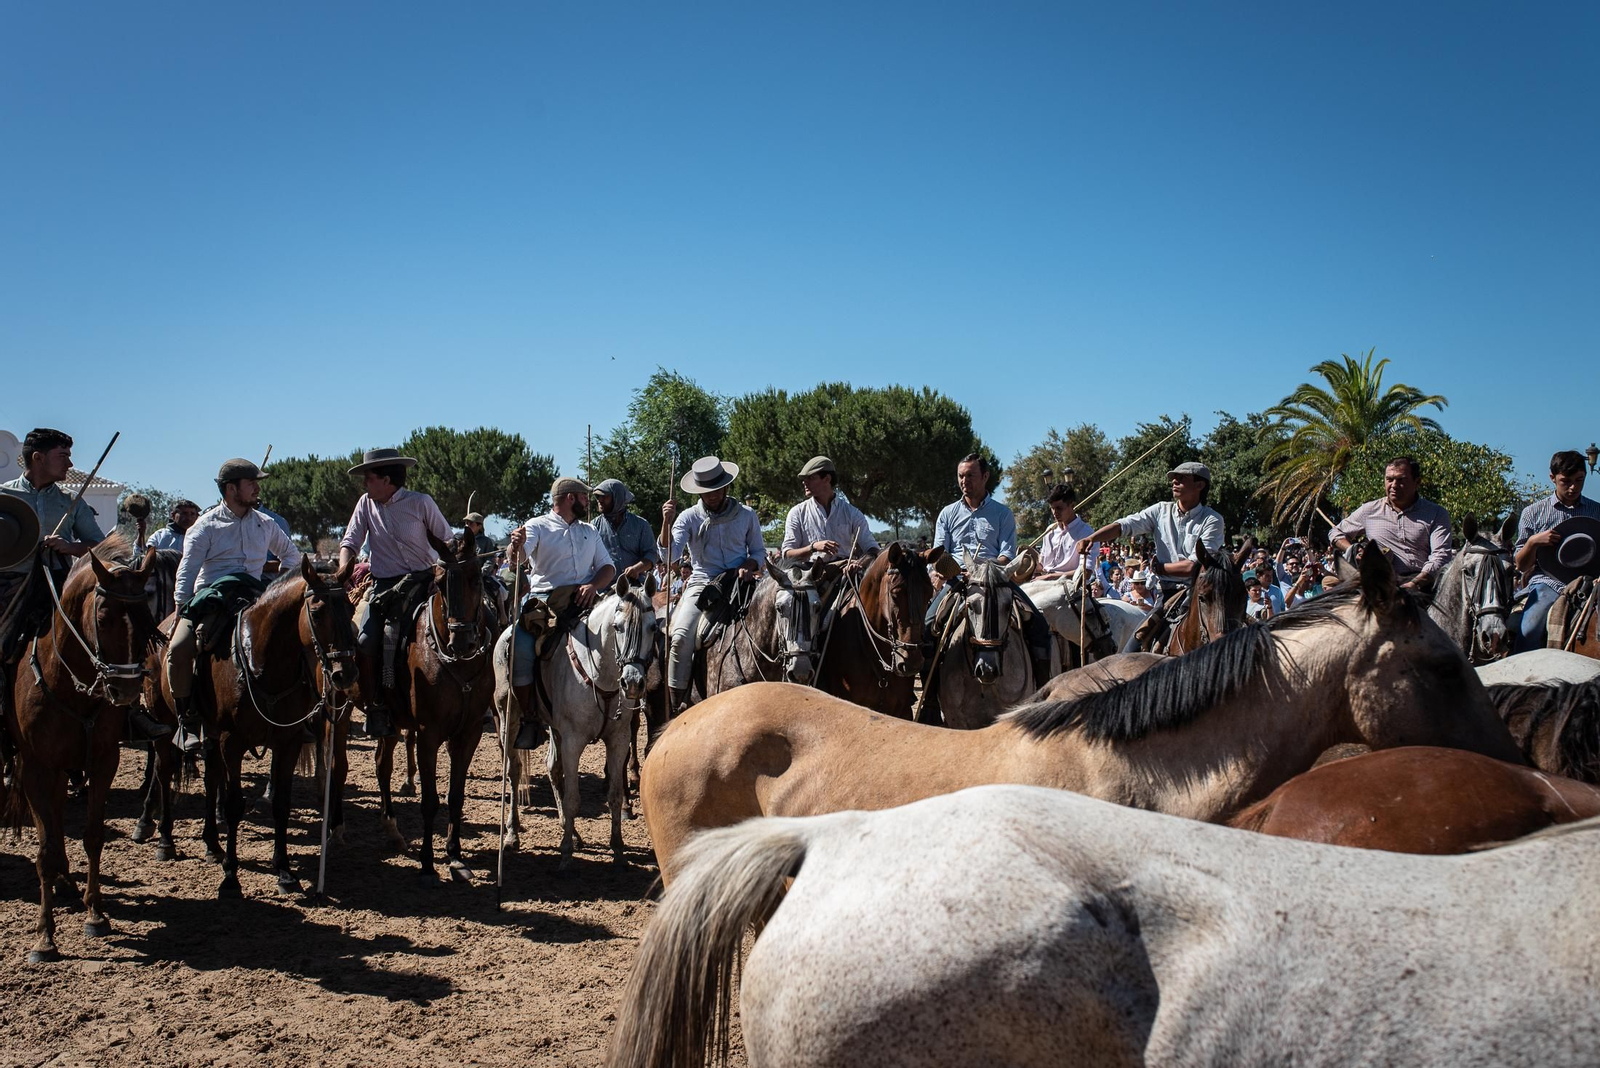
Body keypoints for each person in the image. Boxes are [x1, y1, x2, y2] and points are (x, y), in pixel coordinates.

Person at [167, 459, 302, 752]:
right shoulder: (205, 526)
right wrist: (181, 608)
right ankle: (187, 719)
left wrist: (279, 586)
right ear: (231, 489)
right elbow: (187, 572)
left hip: (253, 598)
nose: (257, 488)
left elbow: (292, 558)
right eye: (251, 483)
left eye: (257, 483)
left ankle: (300, 718)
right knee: (178, 650)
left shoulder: (267, 524)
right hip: (211, 600)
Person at [333, 448, 453, 740]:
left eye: (368, 478)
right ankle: (376, 706)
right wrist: (343, 569)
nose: (365, 484)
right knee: (365, 640)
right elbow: (350, 541)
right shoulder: (365, 504)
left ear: (386, 479)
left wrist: (442, 574)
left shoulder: (421, 503)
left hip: (424, 584)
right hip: (385, 587)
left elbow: (447, 540)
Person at [501, 477, 616, 747]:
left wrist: (592, 585)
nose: (589, 501)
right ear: (570, 498)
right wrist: (514, 546)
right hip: (546, 602)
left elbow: (607, 568)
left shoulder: (590, 530)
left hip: (586, 600)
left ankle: (619, 707)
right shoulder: (537, 526)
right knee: (521, 647)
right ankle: (530, 716)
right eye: (584, 497)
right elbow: (517, 559)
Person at [927, 453, 1050, 689]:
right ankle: (931, 699)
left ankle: (1042, 691)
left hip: (996, 581)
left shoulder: (1003, 514)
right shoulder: (947, 514)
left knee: (1039, 625)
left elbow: (1007, 554)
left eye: (970, 476)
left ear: (985, 476)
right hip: (959, 580)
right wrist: (952, 570)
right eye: (961, 476)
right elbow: (939, 553)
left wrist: (986, 570)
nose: (964, 481)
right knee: (927, 626)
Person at [1075, 461, 1227, 651]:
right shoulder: (1160, 511)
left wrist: (1159, 568)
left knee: (1226, 643)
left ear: (1200, 485)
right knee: (1130, 651)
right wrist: (1093, 538)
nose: (1175, 482)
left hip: (1200, 594)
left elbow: (1194, 566)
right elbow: (1125, 525)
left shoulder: (1212, 520)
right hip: (1167, 596)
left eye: (1182, 478)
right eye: (1174, 478)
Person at [659, 456, 765, 710]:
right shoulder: (687, 517)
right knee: (681, 637)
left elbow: (759, 553)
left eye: (716, 490)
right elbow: (667, 554)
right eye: (706, 492)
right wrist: (666, 521)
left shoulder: (747, 515)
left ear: (726, 486)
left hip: (741, 581)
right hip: (702, 583)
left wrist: (748, 566)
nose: (712, 496)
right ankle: (677, 704)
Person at [0, 429, 108, 668]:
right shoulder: (3, 494)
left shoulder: (71, 501)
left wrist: (69, 547)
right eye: (63, 456)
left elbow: (100, 547)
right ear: (38, 458)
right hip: (8, 586)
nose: (70, 463)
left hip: (57, 585)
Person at [1512, 450, 1600, 652]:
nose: (1573, 487)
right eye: (1566, 481)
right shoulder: (1532, 513)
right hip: (1547, 582)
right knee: (1530, 627)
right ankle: (1521, 673)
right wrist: (1533, 542)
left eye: (1579, 480)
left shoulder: (1597, 511)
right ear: (1552, 478)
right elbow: (1521, 566)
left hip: (1591, 581)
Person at [1330, 456, 1452, 590]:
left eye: (1401, 480)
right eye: (1389, 479)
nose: (1393, 485)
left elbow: (1441, 556)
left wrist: (1416, 583)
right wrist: (1353, 549)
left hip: (1421, 586)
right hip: (1377, 586)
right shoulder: (1369, 510)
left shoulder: (1436, 513)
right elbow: (1336, 532)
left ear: (1417, 482)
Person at [780, 456, 878, 573]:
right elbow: (787, 555)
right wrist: (813, 547)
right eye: (804, 478)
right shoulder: (797, 513)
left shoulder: (852, 513)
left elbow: (872, 548)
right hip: (809, 576)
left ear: (827, 479)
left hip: (844, 573)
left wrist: (859, 563)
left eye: (810, 477)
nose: (804, 482)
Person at [592, 478, 660, 586]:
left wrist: (636, 568)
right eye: (597, 496)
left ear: (617, 498)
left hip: (636, 585)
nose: (599, 500)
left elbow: (652, 554)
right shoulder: (593, 527)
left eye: (604, 496)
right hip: (605, 588)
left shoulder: (641, 524)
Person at [1036, 483, 1095, 580]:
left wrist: (1050, 577)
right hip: (1044, 584)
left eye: (1059, 508)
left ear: (1072, 505)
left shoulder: (1086, 533)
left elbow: (1085, 572)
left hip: (1070, 588)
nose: (1055, 513)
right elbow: (1042, 564)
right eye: (1052, 508)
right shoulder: (1050, 531)